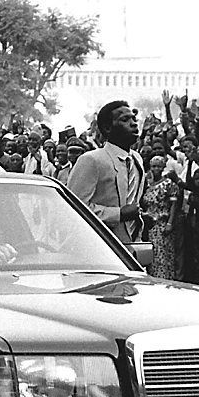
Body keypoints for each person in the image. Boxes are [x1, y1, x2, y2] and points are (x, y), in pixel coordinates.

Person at [67, 101, 145, 243]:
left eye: (134, 119)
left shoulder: (137, 159)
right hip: (99, 247)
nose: (133, 123)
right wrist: (118, 214)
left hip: (133, 246)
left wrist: (140, 218)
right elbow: (74, 208)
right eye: (125, 120)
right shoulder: (92, 160)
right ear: (107, 128)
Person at [139, 156, 181, 280]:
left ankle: (165, 280)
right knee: (150, 255)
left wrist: (170, 223)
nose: (156, 169)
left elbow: (174, 203)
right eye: (153, 166)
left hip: (162, 223)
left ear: (163, 168)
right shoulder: (147, 184)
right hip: (148, 224)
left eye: (158, 166)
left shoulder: (168, 184)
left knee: (163, 255)